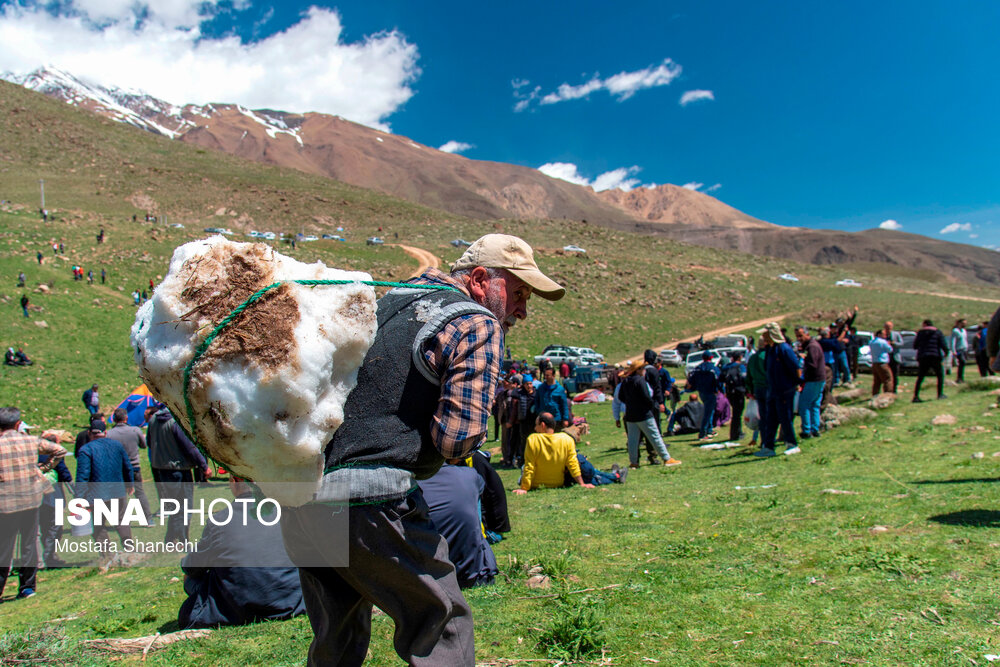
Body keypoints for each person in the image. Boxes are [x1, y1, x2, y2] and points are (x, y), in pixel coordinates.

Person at [280, 233, 564, 665]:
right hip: (371, 500)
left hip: (302, 496)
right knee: (441, 621)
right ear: (482, 279)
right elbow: (457, 440)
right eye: (520, 292)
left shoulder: (388, 303)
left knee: (337, 638)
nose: (523, 311)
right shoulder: (475, 322)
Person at [178, 476, 306, 629]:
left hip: (240, 606)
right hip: (291, 600)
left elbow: (190, 567)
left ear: (234, 482)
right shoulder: (285, 510)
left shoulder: (219, 519)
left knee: (191, 579)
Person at [0, 407, 68, 599]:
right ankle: (27, 587)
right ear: (17, 424)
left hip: (5, 502)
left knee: (4, 547)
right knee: (29, 543)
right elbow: (60, 450)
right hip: (31, 498)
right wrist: (44, 467)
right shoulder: (30, 441)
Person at [417, 461, 500, 588]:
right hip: (475, 574)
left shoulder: (409, 484)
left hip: (427, 577)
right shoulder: (470, 474)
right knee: (471, 502)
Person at [515, 413, 622, 493]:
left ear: (542, 425)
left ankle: (615, 475)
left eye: (536, 425)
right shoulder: (566, 439)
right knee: (581, 461)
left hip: (537, 484)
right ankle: (615, 475)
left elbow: (530, 465)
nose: (535, 428)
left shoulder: (533, 439)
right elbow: (572, 463)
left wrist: (524, 488)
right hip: (558, 482)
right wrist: (581, 483)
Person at [148, 407, 210, 544]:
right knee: (184, 507)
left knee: (175, 506)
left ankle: (171, 539)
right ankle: (180, 540)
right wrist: (204, 466)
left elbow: (149, 442)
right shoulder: (175, 422)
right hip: (179, 469)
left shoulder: (153, 420)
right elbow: (189, 447)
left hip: (161, 469)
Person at [76, 420, 134, 552]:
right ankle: (130, 549)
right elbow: (127, 466)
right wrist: (130, 484)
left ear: (90, 433)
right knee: (121, 520)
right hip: (117, 490)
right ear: (105, 433)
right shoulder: (117, 445)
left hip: (96, 493)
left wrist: (79, 497)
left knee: (98, 525)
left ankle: (107, 555)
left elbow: (83, 476)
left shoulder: (86, 450)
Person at [616, 360, 680, 468]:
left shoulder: (626, 381)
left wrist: (630, 403)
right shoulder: (640, 380)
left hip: (630, 414)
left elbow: (621, 396)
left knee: (632, 440)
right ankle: (666, 458)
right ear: (638, 370)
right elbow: (646, 396)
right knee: (655, 436)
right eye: (642, 368)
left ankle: (634, 462)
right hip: (644, 414)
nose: (644, 370)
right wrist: (651, 406)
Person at [755, 323, 802, 457]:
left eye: (765, 334)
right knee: (771, 419)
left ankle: (792, 444)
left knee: (785, 417)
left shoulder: (784, 349)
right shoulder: (770, 349)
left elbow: (796, 368)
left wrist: (797, 383)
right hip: (773, 390)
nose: (763, 337)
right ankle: (769, 447)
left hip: (785, 389)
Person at [106, 408, 153, 522]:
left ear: (114, 419)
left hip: (118, 468)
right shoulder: (135, 430)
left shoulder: (109, 434)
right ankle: (148, 518)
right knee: (139, 492)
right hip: (134, 466)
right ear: (126, 418)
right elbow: (143, 445)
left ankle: (121, 519)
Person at [38, 447, 73, 568]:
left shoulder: (29, 456)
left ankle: (45, 556)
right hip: (54, 495)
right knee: (56, 527)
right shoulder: (54, 456)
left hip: (37, 498)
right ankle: (49, 556)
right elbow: (64, 474)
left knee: (43, 527)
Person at [794, 326, 826, 440]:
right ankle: (815, 429)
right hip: (819, 378)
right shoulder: (809, 346)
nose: (799, 338)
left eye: (801, 336)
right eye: (797, 336)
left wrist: (804, 361)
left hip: (814, 379)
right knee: (814, 405)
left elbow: (812, 364)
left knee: (805, 405)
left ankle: (807, 430)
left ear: (807, 334)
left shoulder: (812, 347)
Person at [687, 350, 721, 440]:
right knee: (708, 412)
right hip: (711, 392)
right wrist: (720, 389)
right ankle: (702, 433)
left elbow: (691, 379)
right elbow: (719, 379)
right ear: (711, 358)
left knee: (710, 410)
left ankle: (710, 430)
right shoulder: (713, 368)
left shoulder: (698, 368)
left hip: (701, 392)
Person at [912, 319, 947, 403]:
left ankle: (916, 396)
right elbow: (943, 344)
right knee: (939, 376)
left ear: (924, 324)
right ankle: (940, 394)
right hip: (935, 356)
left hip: (923, 356)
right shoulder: (938, 332)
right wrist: (946, 353)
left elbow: (915, 346)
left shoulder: (920, 333)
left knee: (920, 377)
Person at [719, 351, 748, 442]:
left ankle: (737, 432)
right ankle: (735, 434)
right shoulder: (741, 367)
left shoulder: (726, 367)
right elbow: (744, 379)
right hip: (739, 391)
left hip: (730, 392)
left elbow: (720, 379)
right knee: (737, 414)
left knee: (735, 412)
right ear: (739, 357)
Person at [745, 340, 768, 448]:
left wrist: (750, 390)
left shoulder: (752, 358)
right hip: (768, 387)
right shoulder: (767, 356)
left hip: (756, 389)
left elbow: (748, 377)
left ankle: (761, 440)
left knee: (761, 416)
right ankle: (768, 441)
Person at [869, 329, 895, 395]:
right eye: (884, 334)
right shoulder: (883, 342)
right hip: (882, 362)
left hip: (874, 362)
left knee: (877, 380)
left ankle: (875, 394)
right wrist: (889, 344)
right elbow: (890, 350)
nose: (885, 336)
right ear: (879, 334)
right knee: (888, 379)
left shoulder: (871, 342)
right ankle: (888, 394)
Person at [884, 321, 904, 388]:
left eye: (889, 327)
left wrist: (894, 343)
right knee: (886, 375)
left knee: (895, 374)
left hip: (895, 357)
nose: (888, 328)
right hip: (886, 358)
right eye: (886, 327)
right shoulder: (883, 334)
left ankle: (894, 389)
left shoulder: (896, 334)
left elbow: (901, 343)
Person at [950, 318, 968, 384]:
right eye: (963, 323)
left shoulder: (964, 331)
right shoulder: (955, 331)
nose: (964, 324)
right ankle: (959, 378)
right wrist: (953, 350)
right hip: (959, 350)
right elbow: (952, 341)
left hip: (964, 349)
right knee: (962, 362)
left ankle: (961, 378)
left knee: (963, 364)